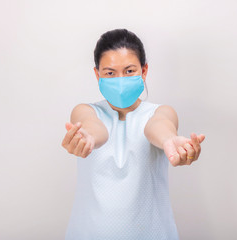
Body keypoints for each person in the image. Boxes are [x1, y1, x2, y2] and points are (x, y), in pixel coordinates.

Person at [62, 28, 206, 240]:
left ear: (144, 71)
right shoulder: (85, 112)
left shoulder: (159, 112)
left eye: (129, 71)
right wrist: (88, 138)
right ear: (97, 74)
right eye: (110, 73)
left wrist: (170, 140)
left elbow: (157, 126)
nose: (120, 80)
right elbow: (94, 128)